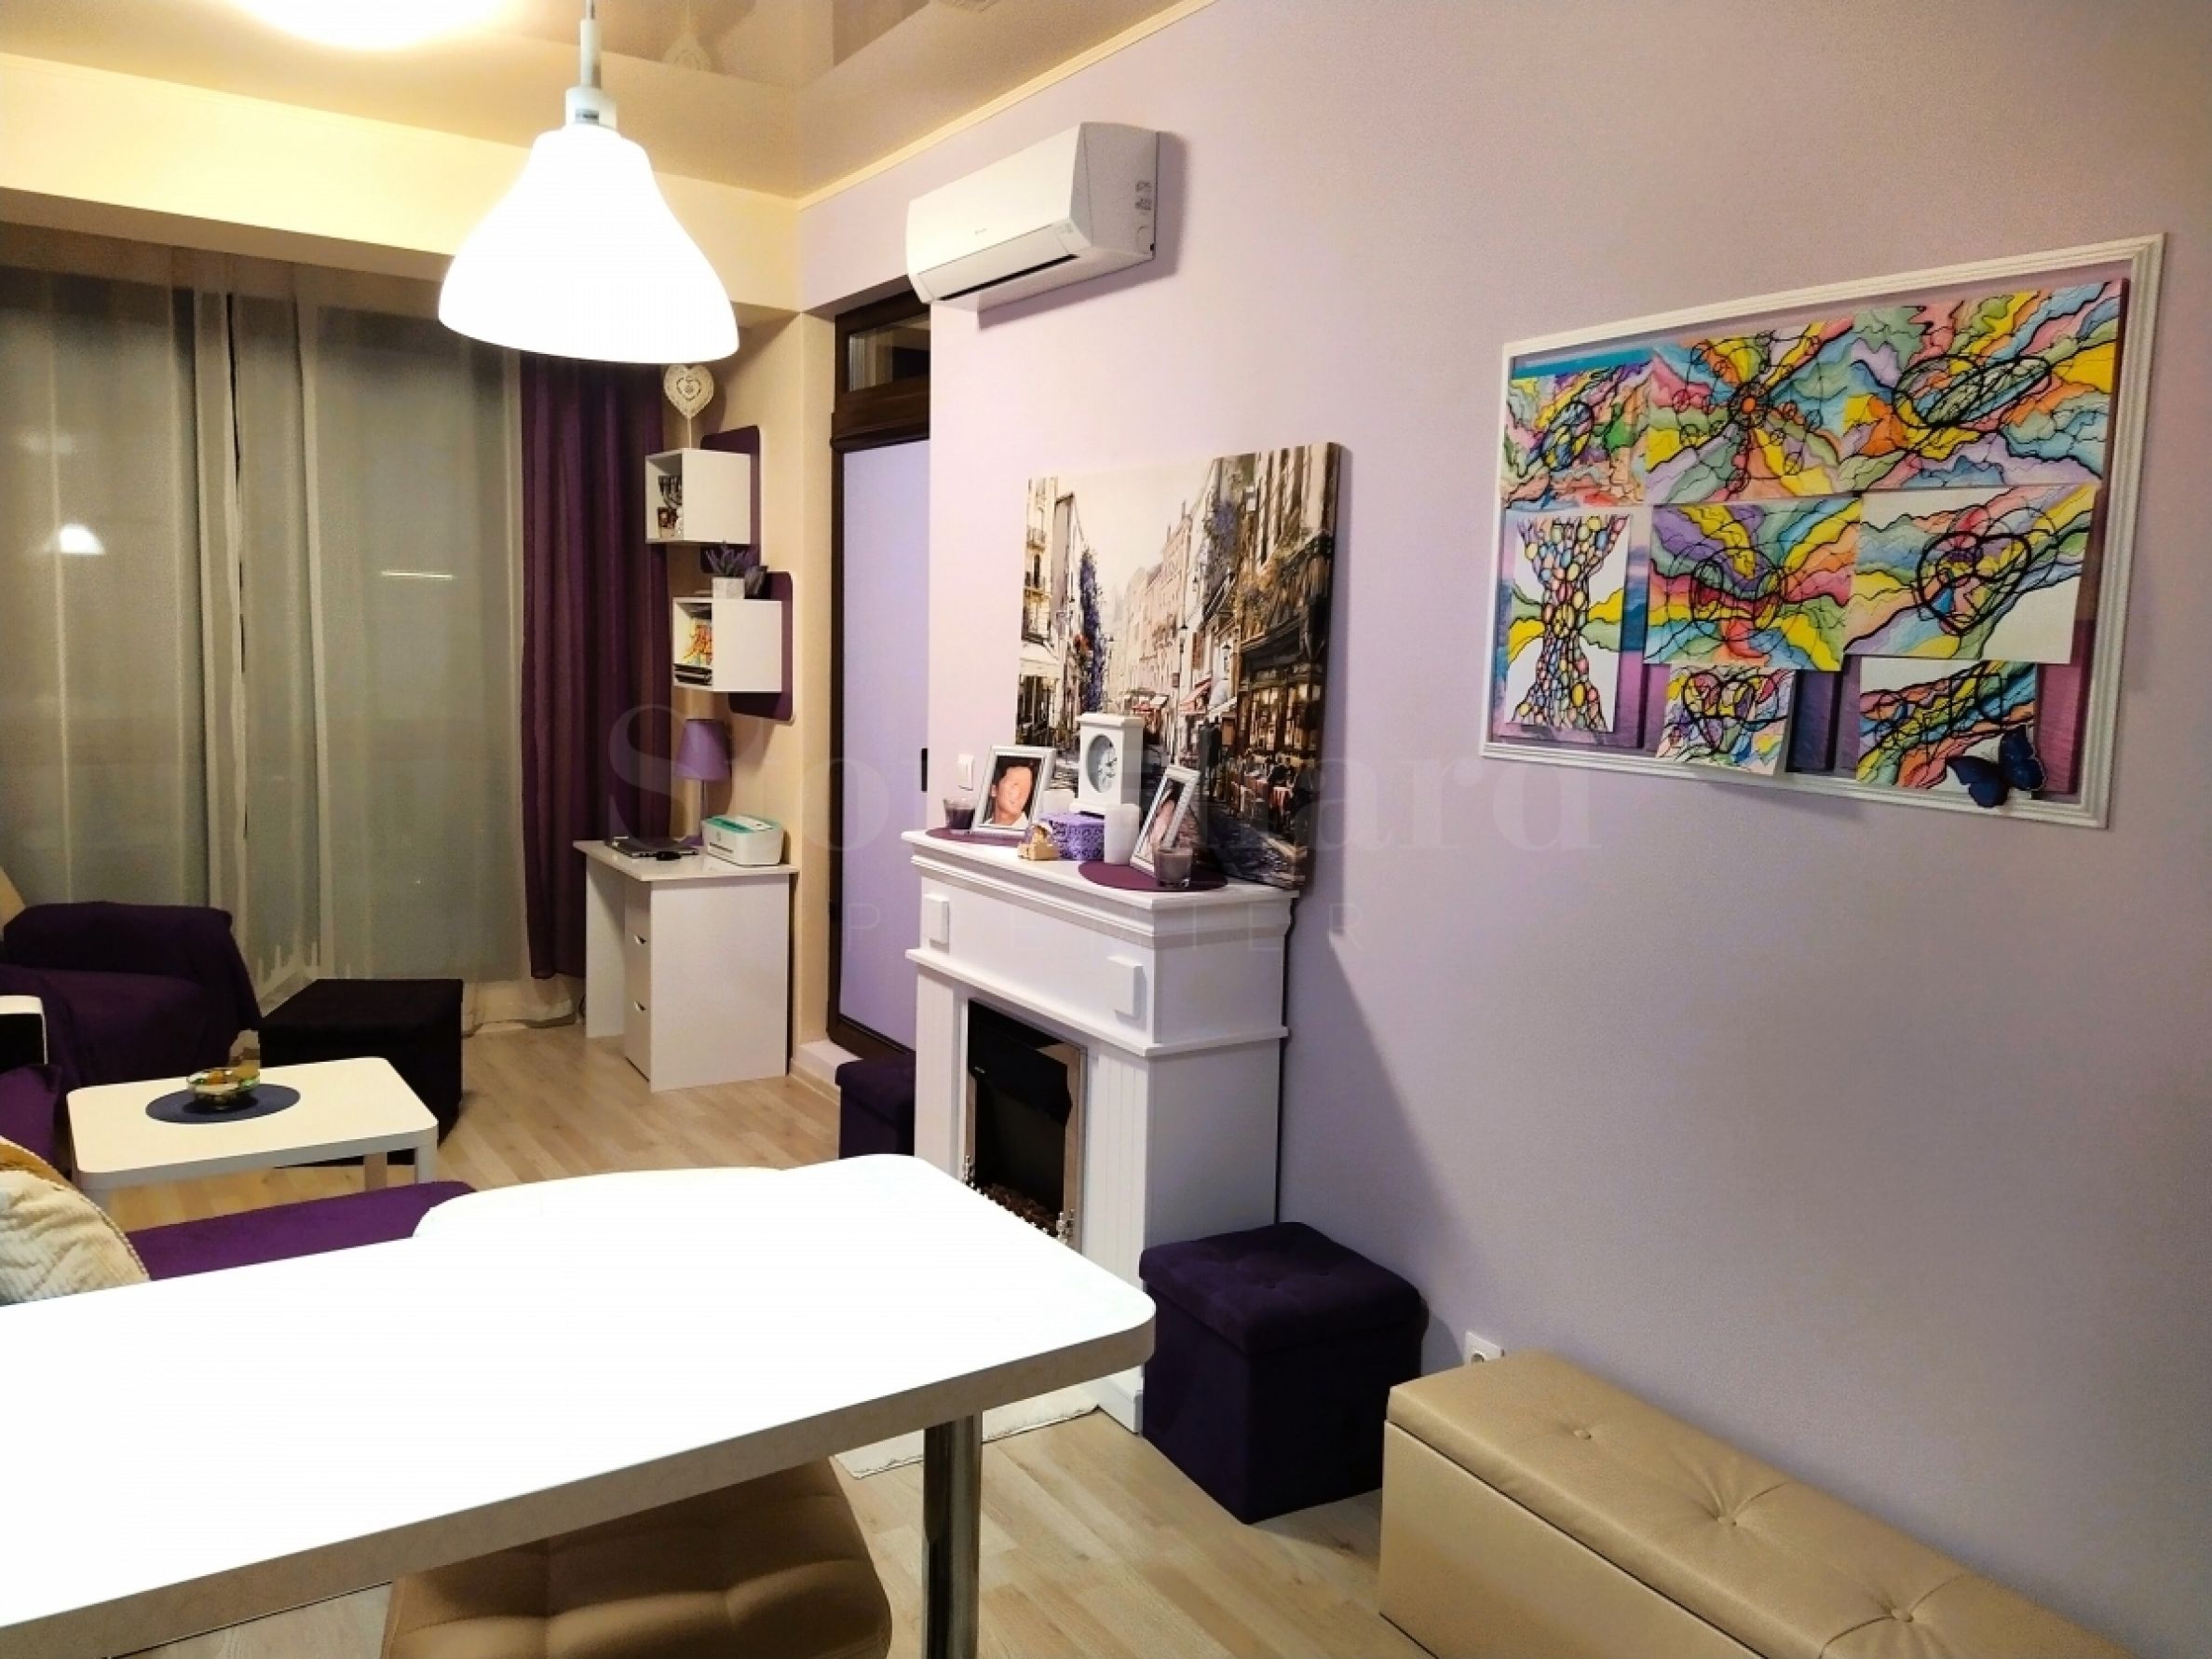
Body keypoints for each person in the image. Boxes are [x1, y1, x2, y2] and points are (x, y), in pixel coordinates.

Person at [984, 757, 1038, 828]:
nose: (1020, 794)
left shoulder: (1033, 832)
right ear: (993, 790)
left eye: (1026, 786)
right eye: (1014, 786)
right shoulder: (979, 828)